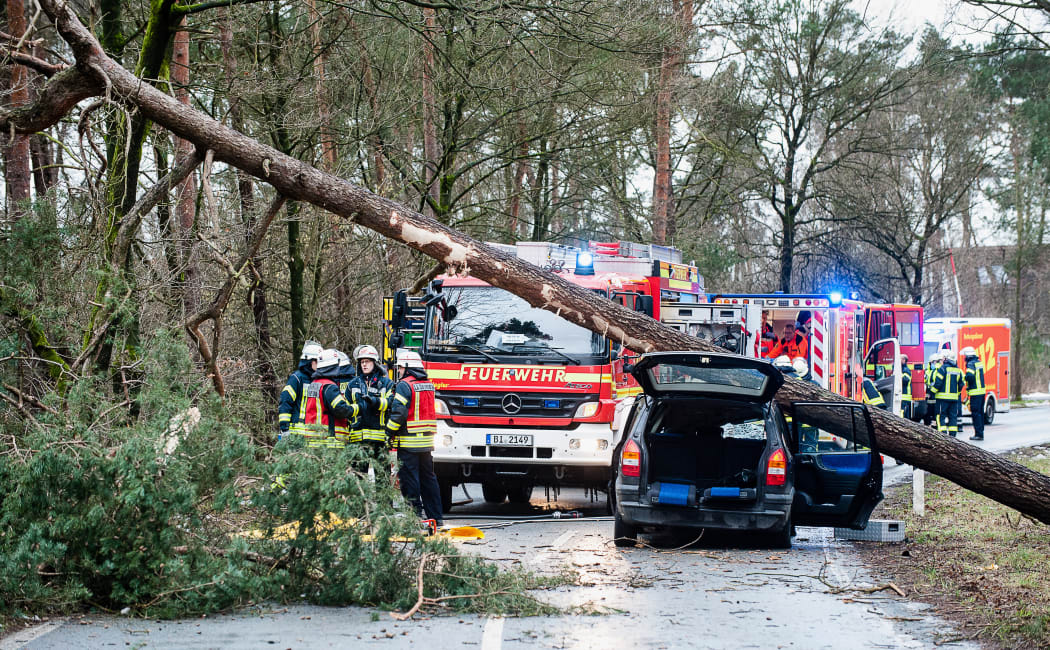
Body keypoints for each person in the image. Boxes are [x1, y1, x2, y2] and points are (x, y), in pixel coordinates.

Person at [385, 349, 443, 526]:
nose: (399, 371)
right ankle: (436, 517)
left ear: (408, 368)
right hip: (426, 443)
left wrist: (389, 431)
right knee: (429, 479)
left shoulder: (404, 385)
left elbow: (399, 412)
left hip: (409, 441)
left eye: (401, 368)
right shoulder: (428, 384)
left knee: (410, 479)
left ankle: (414, 515)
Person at [288, 348, 357, 448]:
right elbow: (341, 410)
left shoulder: (314, 384)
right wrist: (357, 408)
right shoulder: (329, 387)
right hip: (330, 442)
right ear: (332, 367)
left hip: (313, 441)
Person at [347, 344, 396, 465]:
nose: (364, 364)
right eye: (362, 362)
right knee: (359, 478)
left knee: (381, 479)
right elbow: (346, 409)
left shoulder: (387, 384)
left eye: (367, 361)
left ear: (375, 363)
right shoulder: (352, 384)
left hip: (379, 439)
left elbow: (390, 403)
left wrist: (375, 402)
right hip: (357, 439)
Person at [278, 340, 322, 439]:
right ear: (309, 361)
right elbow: (285, 402)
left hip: (314, 433)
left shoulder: (319, 380)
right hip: (296, 433)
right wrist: (285, 429)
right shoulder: (297, 378)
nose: (320, 364)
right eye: (317, 361)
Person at [933, 352, 964, 437]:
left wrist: (932, 391)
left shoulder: (942, 368)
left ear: (946, 359)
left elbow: (938, 383)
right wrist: (956, 394)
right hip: (954, 399)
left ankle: (942, 436)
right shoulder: (958, 369)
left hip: (942, 398)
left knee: (940, 416)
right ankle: (952, 436)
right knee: (953, 417)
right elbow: (961, 384)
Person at [962, 347, 987, 441]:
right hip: (981, 392)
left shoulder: (971, 364)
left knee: (976, 414)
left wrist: (964, 378)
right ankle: (981, 432)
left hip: (975, 393)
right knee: (980, 413)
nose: (964, 357)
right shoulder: (978, 362)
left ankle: (978, 434)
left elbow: (970, 376)